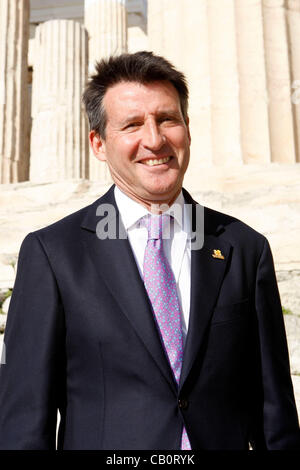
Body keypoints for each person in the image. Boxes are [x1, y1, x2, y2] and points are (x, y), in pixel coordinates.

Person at [0, 51, 299, 450]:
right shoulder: (53, 254)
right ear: (99, 143)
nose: (155, 140)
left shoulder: (244, 248)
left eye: (167, 119)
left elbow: (274, 413)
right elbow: (24, 421)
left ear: (187, 129)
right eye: (132, 125)